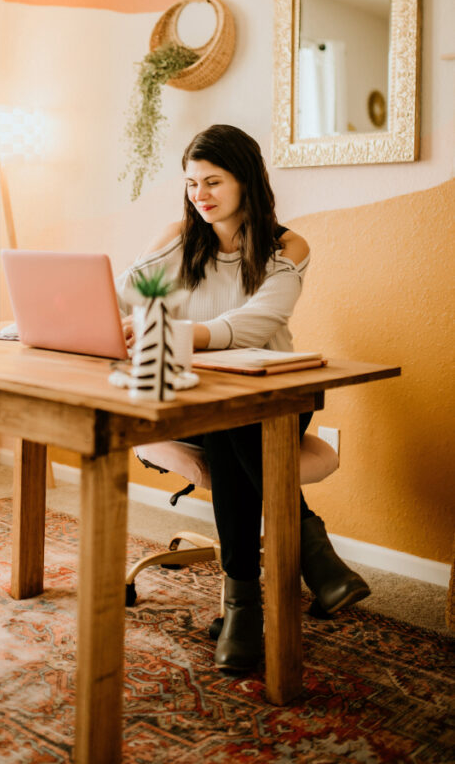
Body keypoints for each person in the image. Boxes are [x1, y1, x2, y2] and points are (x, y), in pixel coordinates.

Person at [116, 124, 370, 673]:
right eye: (190, 184)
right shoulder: (179, 239)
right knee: (233, 424)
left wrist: (187, 334)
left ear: (246, 180)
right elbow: (122, 293)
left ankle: (243, 608)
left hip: (276, 391)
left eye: (212, 181)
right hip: (197, 396)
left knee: (240, 420)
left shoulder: (287, 247)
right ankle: (315, 560)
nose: (199, 196)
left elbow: (260, 322)